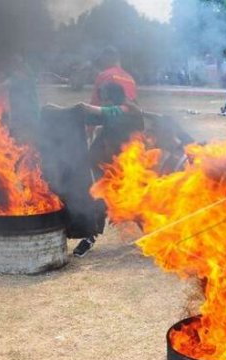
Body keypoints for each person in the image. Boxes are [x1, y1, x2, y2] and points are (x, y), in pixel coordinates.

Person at [74, 47, 138, 257]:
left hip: (111, 150)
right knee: (125, 190)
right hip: (128, 151)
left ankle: (91, 235)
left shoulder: (105, 77)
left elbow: (94, 107)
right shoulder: (130, 78)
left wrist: (89, 130)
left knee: (104, 191)